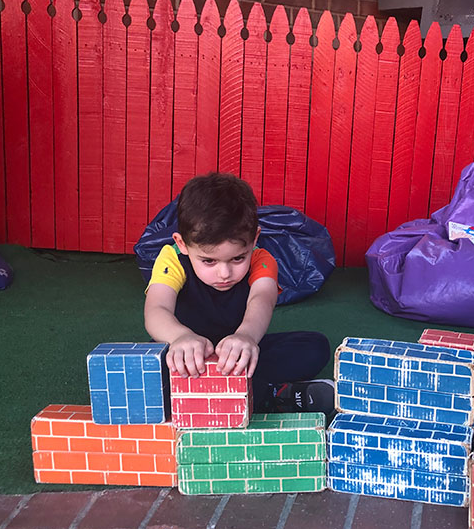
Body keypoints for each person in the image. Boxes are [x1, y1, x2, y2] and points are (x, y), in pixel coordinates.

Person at [143, 172, 334, 414]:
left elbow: (261, 300)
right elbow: (156, 309)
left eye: (237, 258)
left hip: (239, 351)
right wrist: (180, 337)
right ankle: (271, 395)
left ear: (254, 239)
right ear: (182, 244)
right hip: (187, 355)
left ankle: (251, 391)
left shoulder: (262, 260)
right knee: (151, 368)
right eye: (208, 261)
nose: (224, 273)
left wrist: (246, 337)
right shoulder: (172, 258)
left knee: (315, 346)